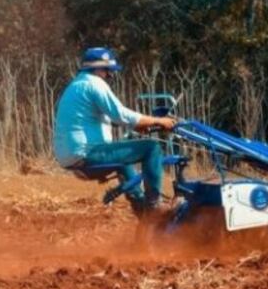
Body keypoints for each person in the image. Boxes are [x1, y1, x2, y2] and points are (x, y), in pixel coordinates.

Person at [53, 47, 177, 213]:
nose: (110, 75)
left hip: (71, 157)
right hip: (87, 154)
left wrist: (140, 125)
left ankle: (143, 211)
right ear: (96, 68)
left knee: (124, 158)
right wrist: (159, 121)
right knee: (152, 147)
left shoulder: (76, 85)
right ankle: (154, 205)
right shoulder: (94, 84)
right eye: (107, 70)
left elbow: (99, 119)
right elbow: (121, 114)